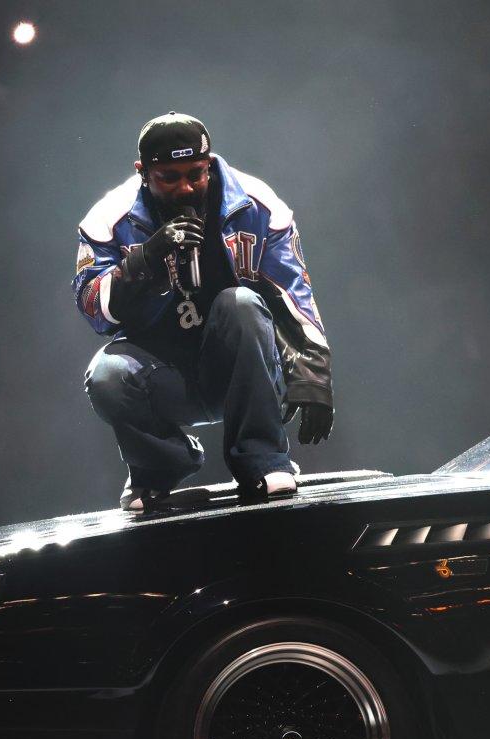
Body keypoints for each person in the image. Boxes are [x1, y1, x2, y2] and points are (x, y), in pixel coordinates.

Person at [73, 112, 333, 511]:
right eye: (170, 177)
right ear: (143, 172)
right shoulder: (109, 219)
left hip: (241, 366)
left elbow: (293, 293)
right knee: (106, 373)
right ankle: (158, 470)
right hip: (161, 374)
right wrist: (144, 259)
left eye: (196, 173)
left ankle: (263, 460)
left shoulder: (257, 204)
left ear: (209, 164)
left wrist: (312, 374)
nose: (186, 187)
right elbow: (95, 310)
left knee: (241, 303)